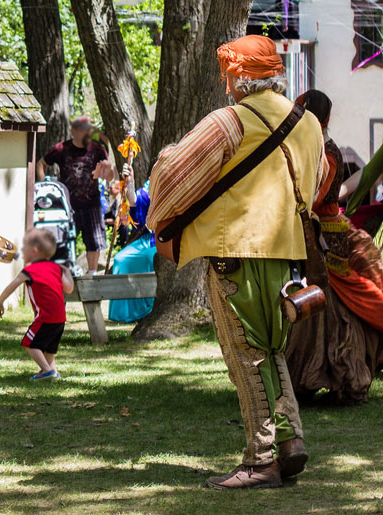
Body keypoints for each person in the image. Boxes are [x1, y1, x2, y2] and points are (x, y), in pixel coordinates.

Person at [147, 35, 327, 490]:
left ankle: (260, 461)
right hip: (286, 253)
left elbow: (173, 173)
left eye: (227, 73)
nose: (225, 83)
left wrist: (164, 173)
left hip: (236, 253)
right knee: (270, 349)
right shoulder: (306, 122)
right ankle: (289, 442)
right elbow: (320, 180)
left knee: (245, 356)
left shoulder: (229, 121)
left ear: (237, 77)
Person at [286, 90, 383, 405]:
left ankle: (348, 375)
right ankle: (308, 377)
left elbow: (314, 199)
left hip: (327, 242)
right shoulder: (313, 149)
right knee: (319, 310)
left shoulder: (324, 154)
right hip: (317, 238)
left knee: (335, 310)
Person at [0, 228, 74, 380]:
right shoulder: (57, 268)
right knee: (49, 348)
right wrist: (67, 271)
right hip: (61, 317)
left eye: (24, 247)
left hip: (45, 317)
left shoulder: (29, 270)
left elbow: (12, 286)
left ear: (35, 251)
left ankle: (46, 370)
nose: (22, 250)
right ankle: (52, 371)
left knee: (30, 343)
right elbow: (69, 289)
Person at [37, 117, 114, 275]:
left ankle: (92, 274)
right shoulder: (61, 149)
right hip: (67, 206)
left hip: (92, 203)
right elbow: (41, 164)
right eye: (85, 131)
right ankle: (64, 274)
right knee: (64, 241)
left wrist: (108, 170)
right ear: (75, 131)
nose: (88, 134)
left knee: (94, 242)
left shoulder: (97, 149)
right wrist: (44, 187)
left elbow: (110, 176)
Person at [108, 164, 156, 323]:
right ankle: (124, 314)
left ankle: (149, 307)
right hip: (148, 238)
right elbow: (135, 201)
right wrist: (131, 181)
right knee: (121, 259)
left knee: (151, 258)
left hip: (167, 238)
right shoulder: (152, 184)